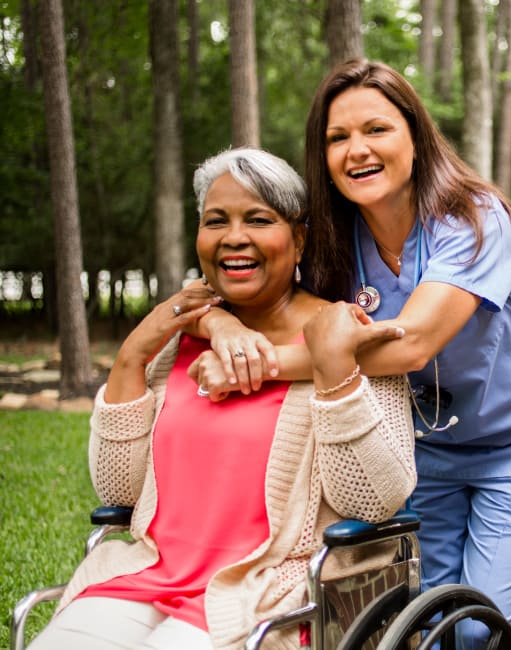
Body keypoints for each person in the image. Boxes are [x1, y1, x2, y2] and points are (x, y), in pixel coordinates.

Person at [189, 59, 511, 650]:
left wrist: (262, 364)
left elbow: (413, 342)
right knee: (427, 625)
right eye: (337, 137)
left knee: (482, 626)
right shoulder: (333, 239)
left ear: (415, 136)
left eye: (375, 129)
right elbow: (229, 276)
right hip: (422, 449)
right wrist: (222, 325)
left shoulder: (475, 219)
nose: (357, 150)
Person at [27, 146, 416, 650]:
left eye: (258, 219)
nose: (235, 237)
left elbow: (374, 499)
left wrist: (336, 373)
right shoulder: (174, 344)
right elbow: (119, 492)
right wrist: (130, 359)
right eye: (216, 221)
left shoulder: (341, 334)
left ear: (298, 240)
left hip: (270, 590)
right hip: (148, 576)